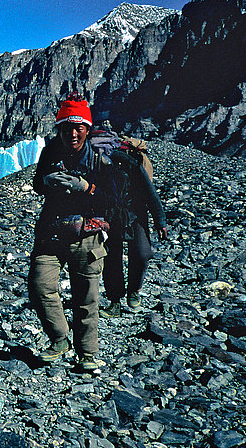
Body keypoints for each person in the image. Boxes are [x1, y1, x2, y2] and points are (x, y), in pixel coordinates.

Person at [29, 95, 115, 373]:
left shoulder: (101, 160)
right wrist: (47, 182)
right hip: (52, 232)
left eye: (79, 127)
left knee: (86, 298)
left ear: (88, 130)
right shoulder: (49, 153)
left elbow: (112, 200)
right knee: (40, 286)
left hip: (87, 236)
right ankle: (59, 339)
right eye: (67, 128)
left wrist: (86, 188)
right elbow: (37, 185)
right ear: (59, 130)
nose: (73, 133)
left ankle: (87, 354)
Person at [100, 145, 169, 316]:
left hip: (135, 213)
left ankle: (133, 290)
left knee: (141, 253)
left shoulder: (131, 164)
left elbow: (150, 193)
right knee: (111, 257)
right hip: (109, 215)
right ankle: (114, 301)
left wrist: (160, 221)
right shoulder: (97, 165)